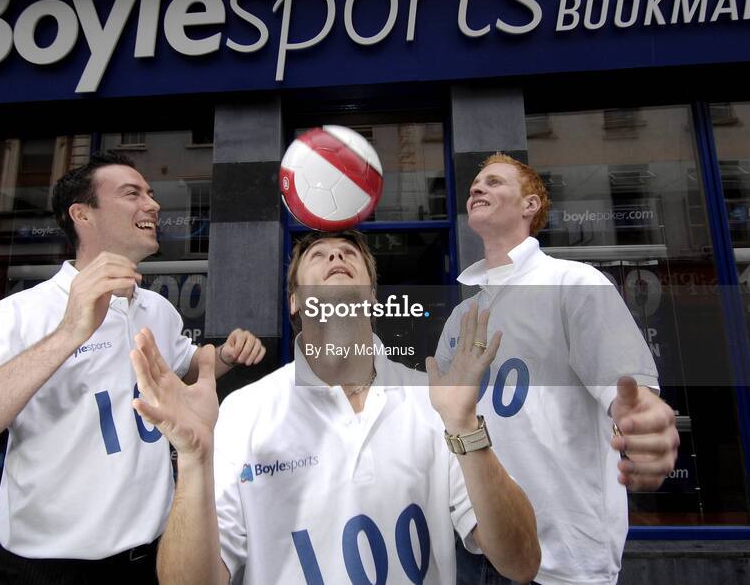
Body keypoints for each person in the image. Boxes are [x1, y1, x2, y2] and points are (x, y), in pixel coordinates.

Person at [0, 151, 265, 584]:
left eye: (150, 193)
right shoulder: (21, 314)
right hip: (51, 569)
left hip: (154, 559)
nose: (153, 204)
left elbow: (180, 372)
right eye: (132, 193)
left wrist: (221, 357)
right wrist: (69, 332)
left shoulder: (158, 309)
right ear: (82, 214)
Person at [129, 230, 541, 584]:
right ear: (294, 302)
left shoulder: (433, 401)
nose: (336, 258)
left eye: (348, 254)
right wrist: (193, 459)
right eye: (318, 256)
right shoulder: (244, 411)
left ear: (373, 297)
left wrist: (465, 426)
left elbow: (521, 562)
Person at [439, 153, 680, 585]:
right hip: (475, 547)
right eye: (476, 184)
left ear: (530, 205)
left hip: (562, 562)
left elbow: (627, 393)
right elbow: (443, 425)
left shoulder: (575, 283)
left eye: (494, 182)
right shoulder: (461, 317)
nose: (477, 188)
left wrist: (642, 419)